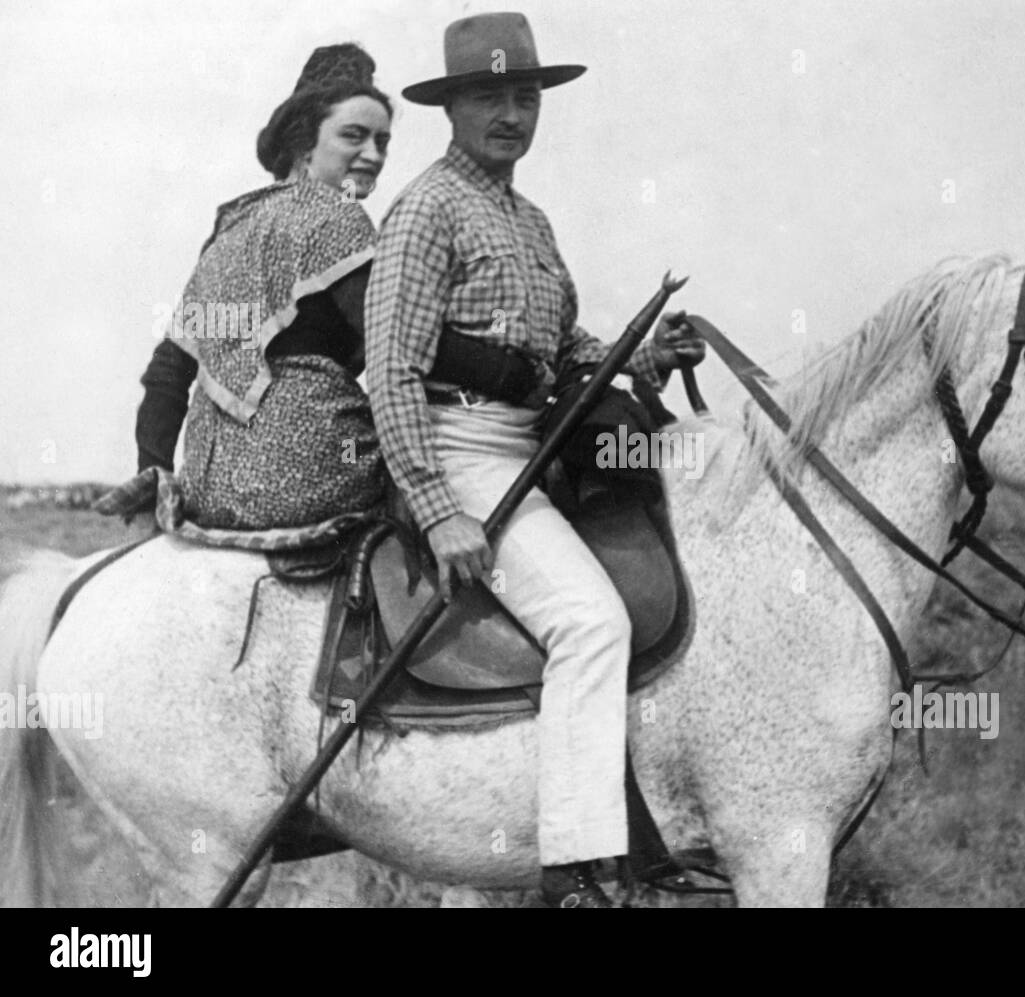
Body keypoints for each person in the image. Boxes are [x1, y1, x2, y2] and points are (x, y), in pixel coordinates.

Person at [365, 12, 706, 908]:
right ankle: (578, 869)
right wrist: (438, 507)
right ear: (454, 107)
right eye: (490, 94)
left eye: (525, 94)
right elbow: (390, 369)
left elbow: (560, 346)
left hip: (533, 439)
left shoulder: (532, 219)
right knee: (592, 621)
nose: (512, 113)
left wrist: (640, 359)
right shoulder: (426, 209)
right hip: (460, 447)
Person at [132, 43, 392, 529]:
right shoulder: (338, 218)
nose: (373, 155)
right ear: (304, 142)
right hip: (314, 469)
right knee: (424, 460)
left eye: (382, 141)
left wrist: (154, 475)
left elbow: (168, 372)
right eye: (354, 136)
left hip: (206, 487)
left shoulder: (230, 230)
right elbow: (399, 348)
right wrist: (512, 377)